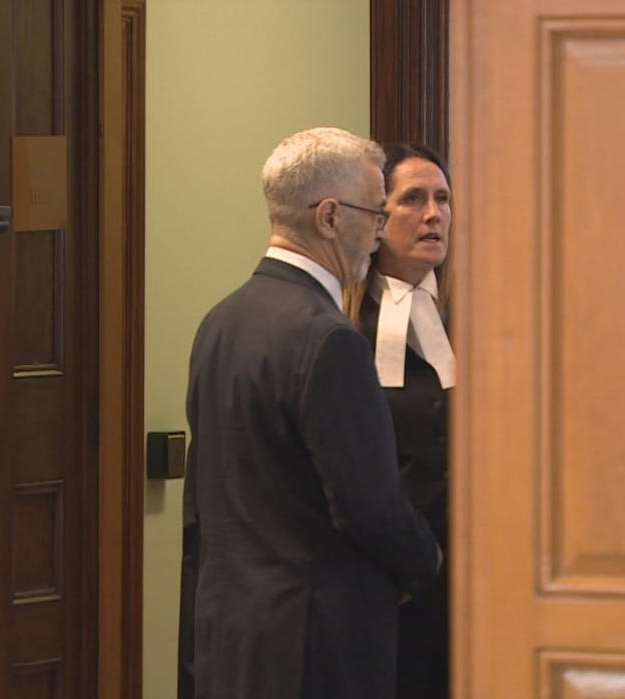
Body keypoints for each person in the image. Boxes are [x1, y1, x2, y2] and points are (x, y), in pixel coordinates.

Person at [177, 127, 442, 699]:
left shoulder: (221, 321)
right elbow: (367, 506)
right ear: (329, 216)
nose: (377, 234)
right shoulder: (330, 339)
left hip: (232, 636)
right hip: (314, 645)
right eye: (375, 214)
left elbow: (206, 499)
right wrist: (428, 564)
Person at [344, 142, 455, 699]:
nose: (433, 214)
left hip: (473, 579)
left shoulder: (482, 316)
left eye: (442, 198)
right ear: (377, 218)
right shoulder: (342, 330)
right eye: (413, 198)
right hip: (386, 580)